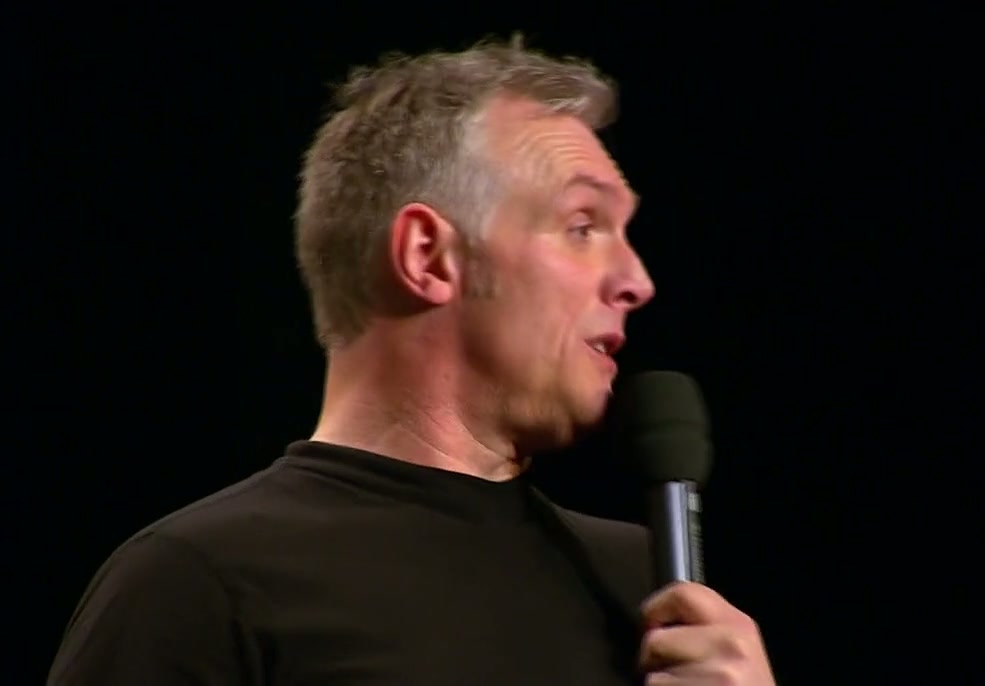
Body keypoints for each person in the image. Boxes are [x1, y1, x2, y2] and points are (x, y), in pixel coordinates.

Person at [47, 37, 776, 685]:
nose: (636, 281)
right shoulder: (202, 582)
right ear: (428, 256)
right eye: (582, 226)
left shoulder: (647, 590)